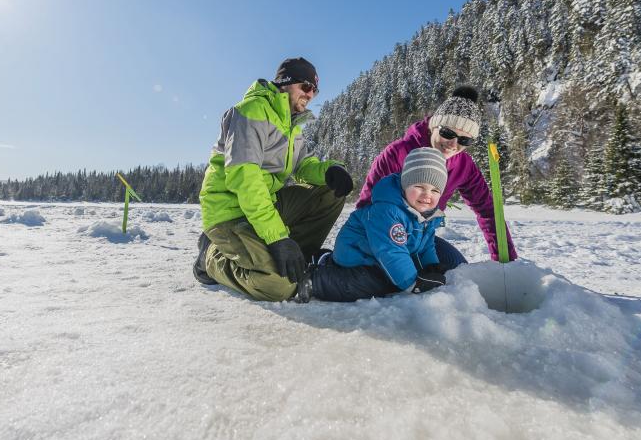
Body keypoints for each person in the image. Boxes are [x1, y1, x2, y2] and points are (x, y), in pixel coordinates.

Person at [194, 57, 354, 302]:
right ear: (285, 83)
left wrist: (330, 171)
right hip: (230, 214)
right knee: (278, 286)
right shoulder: (250, 112)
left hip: (264, 205)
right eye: (306, 87)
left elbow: (304, 164)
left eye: (315, 90)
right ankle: (211, 257)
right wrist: (277, 237)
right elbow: (245, 181)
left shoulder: (290, 124)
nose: (311, 95)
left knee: (330, 191)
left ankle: (297, 257)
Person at [354, 86, 517, 267]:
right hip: (381, 237)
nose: (453, 144)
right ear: (434, 126)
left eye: (465, 140)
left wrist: (506, 260)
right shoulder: (398, 152)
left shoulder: (464, 165)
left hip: (420, 240)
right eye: (448, 133)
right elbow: (367, 205)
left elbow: (488, 211)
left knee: (457, 270)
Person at [310, 148, 452, 301]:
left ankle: (324, 259)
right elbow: (390, 250)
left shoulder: (428, 216)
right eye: (419, 187)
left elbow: (425, 247)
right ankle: (316, 280)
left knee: (396, 274)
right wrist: (412, 283)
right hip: (356, 255)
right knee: (378, 283)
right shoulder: (388, 211)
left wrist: (431, 267)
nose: (427, 195)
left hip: (375, 257)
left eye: (435, 190)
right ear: (405, 184)